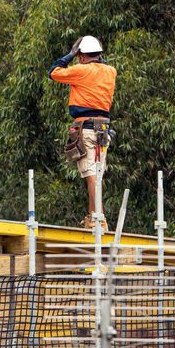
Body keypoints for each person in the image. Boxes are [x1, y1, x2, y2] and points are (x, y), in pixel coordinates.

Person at [47, 35, 117, 230]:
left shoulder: (81, 70)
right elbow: (100, 67)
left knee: (90, 173)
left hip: (87, 128)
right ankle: (93, 217)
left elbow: (53, 72)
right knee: (97, 173)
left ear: (82, 56)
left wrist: (69, 55)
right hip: (103, 128)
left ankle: (98, 219)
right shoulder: (111, 71)